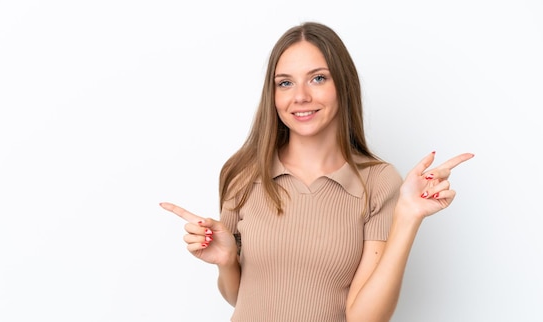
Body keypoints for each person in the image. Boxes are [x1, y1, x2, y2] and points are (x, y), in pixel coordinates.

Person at [159, 21, 474, 322]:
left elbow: (365, 318)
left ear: (343, 84)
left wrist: (408, 216)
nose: (300, 97)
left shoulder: (378, 181)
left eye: (318, 78)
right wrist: (226, 262)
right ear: (273, 95)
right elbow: (241, 297)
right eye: (285, 83)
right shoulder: (242, 172)